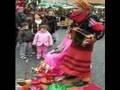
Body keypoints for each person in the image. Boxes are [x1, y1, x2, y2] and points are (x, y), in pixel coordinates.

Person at [59, 0, 104, 83]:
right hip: (75, 42)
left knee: (81, 62)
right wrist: (69, 30)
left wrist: (94, 39)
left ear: (84, 8)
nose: (73, 10)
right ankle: (70, 74)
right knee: (71, 59)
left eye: (76, 8)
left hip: (85, 45)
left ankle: (81, 77)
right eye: (73, 8)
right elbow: (72, 26)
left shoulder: (90, 18)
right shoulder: (74, 17)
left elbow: (101, 30)